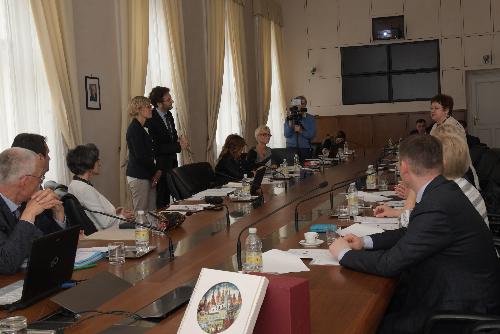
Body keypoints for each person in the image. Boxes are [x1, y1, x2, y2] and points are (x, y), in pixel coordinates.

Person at [329, 135, 500, 334]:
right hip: (454, 289)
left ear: (403, 167)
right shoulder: (442, 189)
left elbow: (389, 264)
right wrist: (364, 242)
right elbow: (410, 232)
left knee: (373, 325)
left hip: (459, 308)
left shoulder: (438, 203)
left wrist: (345, 255)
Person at [374, 124, 489, 227]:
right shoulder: (460, 183)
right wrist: (395, 212)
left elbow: (410, 223)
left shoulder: (448, 192)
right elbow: (423, 217)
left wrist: (414, 189)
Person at [0, 148, 65, 274]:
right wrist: (28, 215)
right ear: (25, 181)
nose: (41, 183)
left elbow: (51, 246)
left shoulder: (26, 202)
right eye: (41, 177)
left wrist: (58, 215)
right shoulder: (29, 208)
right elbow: (5, 264)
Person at [67, 144, 135, 230]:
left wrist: (115, 213)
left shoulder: (75, 184)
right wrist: (123, 216)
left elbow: (94, 214)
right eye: (97, 160)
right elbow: (105, 224)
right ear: (88, 163)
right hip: (105, 234)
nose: (99, 163)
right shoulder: (84, 189)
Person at [11, 133, 66, 234]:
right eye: (47, 154)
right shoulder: (20, 193)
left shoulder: (38, 187)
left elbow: (49, 233)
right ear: (40, 157)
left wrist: (59, 216)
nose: (49, 158)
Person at [145, 86, 188, 208]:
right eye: (168, 100)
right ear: (159, 103)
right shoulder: (150, 118)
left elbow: (171, 138)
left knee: (169, 200)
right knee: (160, 201)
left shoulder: (169, 115)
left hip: (171, 164)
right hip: (159, 167)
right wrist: (178, 146)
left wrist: (179, 140)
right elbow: (156, 147)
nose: (172, 101)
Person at [428, 93, 479, 188]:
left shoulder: (452, 126)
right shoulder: (435, 126)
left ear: (446, 110)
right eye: (431, 108)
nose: (432, 111)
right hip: (442, 167)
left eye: (436, 108)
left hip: (458, 171)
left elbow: (453, 154)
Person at [126, 96, 161, 213]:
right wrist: (156, 171)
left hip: (146, 174)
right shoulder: (134, 129)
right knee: (141, 213)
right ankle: (142, 232)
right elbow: (141, 156)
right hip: (138, 175)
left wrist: (155, 172)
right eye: (148, 106)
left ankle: (152, 232)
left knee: (151, 211)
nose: (151, 109)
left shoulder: (141, 127)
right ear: (139, 109)